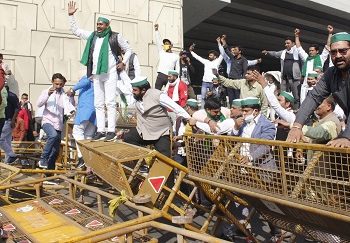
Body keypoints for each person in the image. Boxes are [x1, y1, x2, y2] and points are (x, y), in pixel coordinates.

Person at [68, 1, 132, 141]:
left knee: (109, 101)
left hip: (110, 73)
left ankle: (111, 130)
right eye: (97, 24)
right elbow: (76, 31)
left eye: (101, 24)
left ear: (107, 25)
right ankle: (101, 130)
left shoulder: (115, 36)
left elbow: (128, 50)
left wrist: (123, 62)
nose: (98, 26)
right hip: (96, 74)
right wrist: (71, 16)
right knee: (98, 103)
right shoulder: (93, 36)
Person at [287, 32, 350, 148]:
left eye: (343, 51)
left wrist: (347, 137)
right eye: (333, 52)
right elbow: (313, 97)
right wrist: (297, 125)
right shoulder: (331, 74)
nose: (338, 55)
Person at [123, 76, 190, 158]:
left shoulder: (157, 95)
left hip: (161, 132)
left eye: (135, 90)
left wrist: (189, 118)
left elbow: (175, 107)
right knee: (128, 138)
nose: (132, 92)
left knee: (164, 158)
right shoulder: (137, 97)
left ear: (143, 90)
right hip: (144, 131)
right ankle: (141, 165)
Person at [37, 73, 75, 169]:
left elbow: (71, 106)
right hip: (47, 121)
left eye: (60, 84)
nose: (58, 86)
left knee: (55, 151)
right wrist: (48, 94)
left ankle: (49, 174)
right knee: (52, 135)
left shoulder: (64, 95)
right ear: (52, 82)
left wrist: (71, 96)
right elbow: (39, 103)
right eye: (56, 84)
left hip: (58, 124)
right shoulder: (46, 91)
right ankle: (43, 159)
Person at [231, 97, 277, 170]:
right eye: (242, 111)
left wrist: (249, 158)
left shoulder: (267, 125)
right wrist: (236, 127)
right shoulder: (243, 123)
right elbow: (233, 140)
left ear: (255, 111)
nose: (243, 113)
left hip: (261, 167)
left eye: (246, 111)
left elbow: (265, 146)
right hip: (242, 165)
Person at [262, 36, 303, 106]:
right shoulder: (283, 52)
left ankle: (297, 110)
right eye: (285, 43)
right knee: (283, 95)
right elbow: (275, 53)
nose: (286, 45)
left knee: (296, 96)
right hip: (284, 78)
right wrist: (268, 52)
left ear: (293, 43)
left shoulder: (298, 52)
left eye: (288, 43)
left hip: (295, 79)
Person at [67, 75, 96, 169]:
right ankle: (88, 161)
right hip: (95, 112)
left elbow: (86, 81)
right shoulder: (99, 80)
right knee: (88, 136)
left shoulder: (87, 78)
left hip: (85, 110)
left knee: (77, 132)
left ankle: (82, 158)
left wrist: (73, 89)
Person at [189, 43, 223, 108]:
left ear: (215, 57)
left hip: (214, 83)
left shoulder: (217, 61)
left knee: (215, 97)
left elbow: (222, 53)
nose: (209, 56)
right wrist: (191, 51)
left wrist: (220, 44)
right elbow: (197, 57)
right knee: (203, 97)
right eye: (209, 55)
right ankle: (202, 110)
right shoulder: (206, 61)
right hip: (204, 82)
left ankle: (214, 109)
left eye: (211, 55)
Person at [219, 35, 248, 106]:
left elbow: (245, 71)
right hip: (230, 80)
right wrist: (223, 41)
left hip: (237, 81)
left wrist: (243, 81)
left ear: (240, 51)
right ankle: (232, 110)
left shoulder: (244, 60)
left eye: (235, 50)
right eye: (233, 50)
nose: (234, 51)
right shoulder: (232, 58)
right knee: (231, 97)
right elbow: (226, 50)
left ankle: (238, 110)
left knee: (237, 98)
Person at [154, 24, 179, 90]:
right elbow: (158, 42)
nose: (165, 45)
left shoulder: (176, 56)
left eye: (167, 44)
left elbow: (177, 69)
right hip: (160, 75)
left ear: (171, 46)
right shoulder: (161, 52)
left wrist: (176, 78)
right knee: (156, 92)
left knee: (170, 94)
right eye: (165, 44)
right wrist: (156, 31)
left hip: (170, 77)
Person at [0, 85, 19, 164]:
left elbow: (17, 108)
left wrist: (13, 120)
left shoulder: (11, 96)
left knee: (1, 139)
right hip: (7, 120)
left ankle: (12, 155)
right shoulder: (11, 95)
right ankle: (8, 161)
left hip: (7, 120)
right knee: (7, 142)